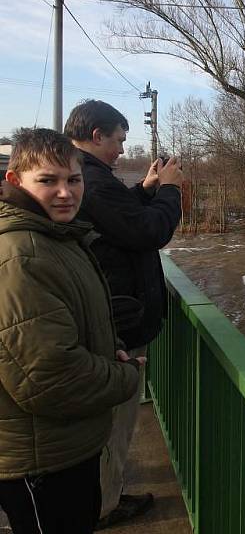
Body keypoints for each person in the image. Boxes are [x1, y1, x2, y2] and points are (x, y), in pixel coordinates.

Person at [0, 128, 141, 533]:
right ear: (15, 181)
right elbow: (50, 378)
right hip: (40, 457)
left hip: (64, 446)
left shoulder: (56, 236)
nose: (65, 193)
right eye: (48, 180)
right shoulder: (21, 256)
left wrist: (110, 346)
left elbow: (82, 315)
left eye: (73, 180)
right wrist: (127, 376)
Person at [64, 100, 182, 529]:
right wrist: (169, 190)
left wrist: (146, 190)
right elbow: (148, 230)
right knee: (113, 427)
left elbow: (119, 220)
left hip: (109, 320)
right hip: (118, 326)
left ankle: (100, 498)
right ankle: (104, 507)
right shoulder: (91, 181)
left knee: (107, 426)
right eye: (118, 140)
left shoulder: (84, 178)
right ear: (97, 135)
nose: (120, 149)